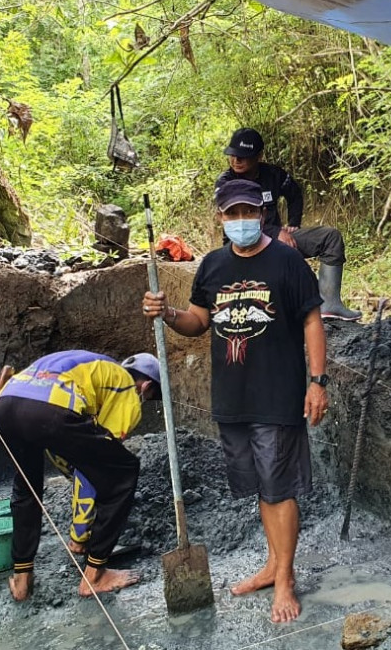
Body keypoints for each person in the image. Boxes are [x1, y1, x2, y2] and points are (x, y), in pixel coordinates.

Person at [143, 178, 328, 623]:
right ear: (221, 218)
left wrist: (318, 381)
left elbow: (312, 321)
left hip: (277, 395)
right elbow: (199, 321)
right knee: (262, 488)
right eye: (233, 214)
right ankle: (271, 566)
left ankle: (285, 578)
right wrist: (167, 313)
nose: (241, 220)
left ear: (261, 214)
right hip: (232, 398)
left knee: (279, 489)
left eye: (248, 212)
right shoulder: (212, 266)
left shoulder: (288, 262)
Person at [0, 350, 160, 601]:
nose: (142, 402)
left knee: (27, 486)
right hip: (49, 410)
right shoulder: (126, 387)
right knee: (122, 472)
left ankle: (22, 579)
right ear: (145, 386)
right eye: (148, 397)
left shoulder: (95, 368)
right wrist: (79, 536)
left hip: (6, 404)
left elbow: (72, 457)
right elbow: (94, 471)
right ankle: (95, 575)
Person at [214, 127, 362, 321]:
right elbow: (238, 220)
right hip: (243, 247)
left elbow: (295, 194)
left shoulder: (273, 175)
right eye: (233, 155)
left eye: (243, 156)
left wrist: (293, 224)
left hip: (279, 242)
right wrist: (276, 233)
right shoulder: (226, 183)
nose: (236, 160)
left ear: (259, 156)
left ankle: (330, 304)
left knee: (329, 237)